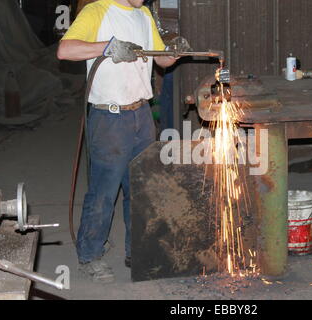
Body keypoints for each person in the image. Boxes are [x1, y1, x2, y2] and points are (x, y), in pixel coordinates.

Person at [57, 0, 177, 283]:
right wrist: (106, 46)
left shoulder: (144, 14)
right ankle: (90, 255)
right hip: (110, 118)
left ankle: (137, 251)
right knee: (104, 192)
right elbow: (65, 50)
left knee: (140, 189)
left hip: (142, 114)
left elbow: (161, 59)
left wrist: (175, 52)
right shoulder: (97, 11)